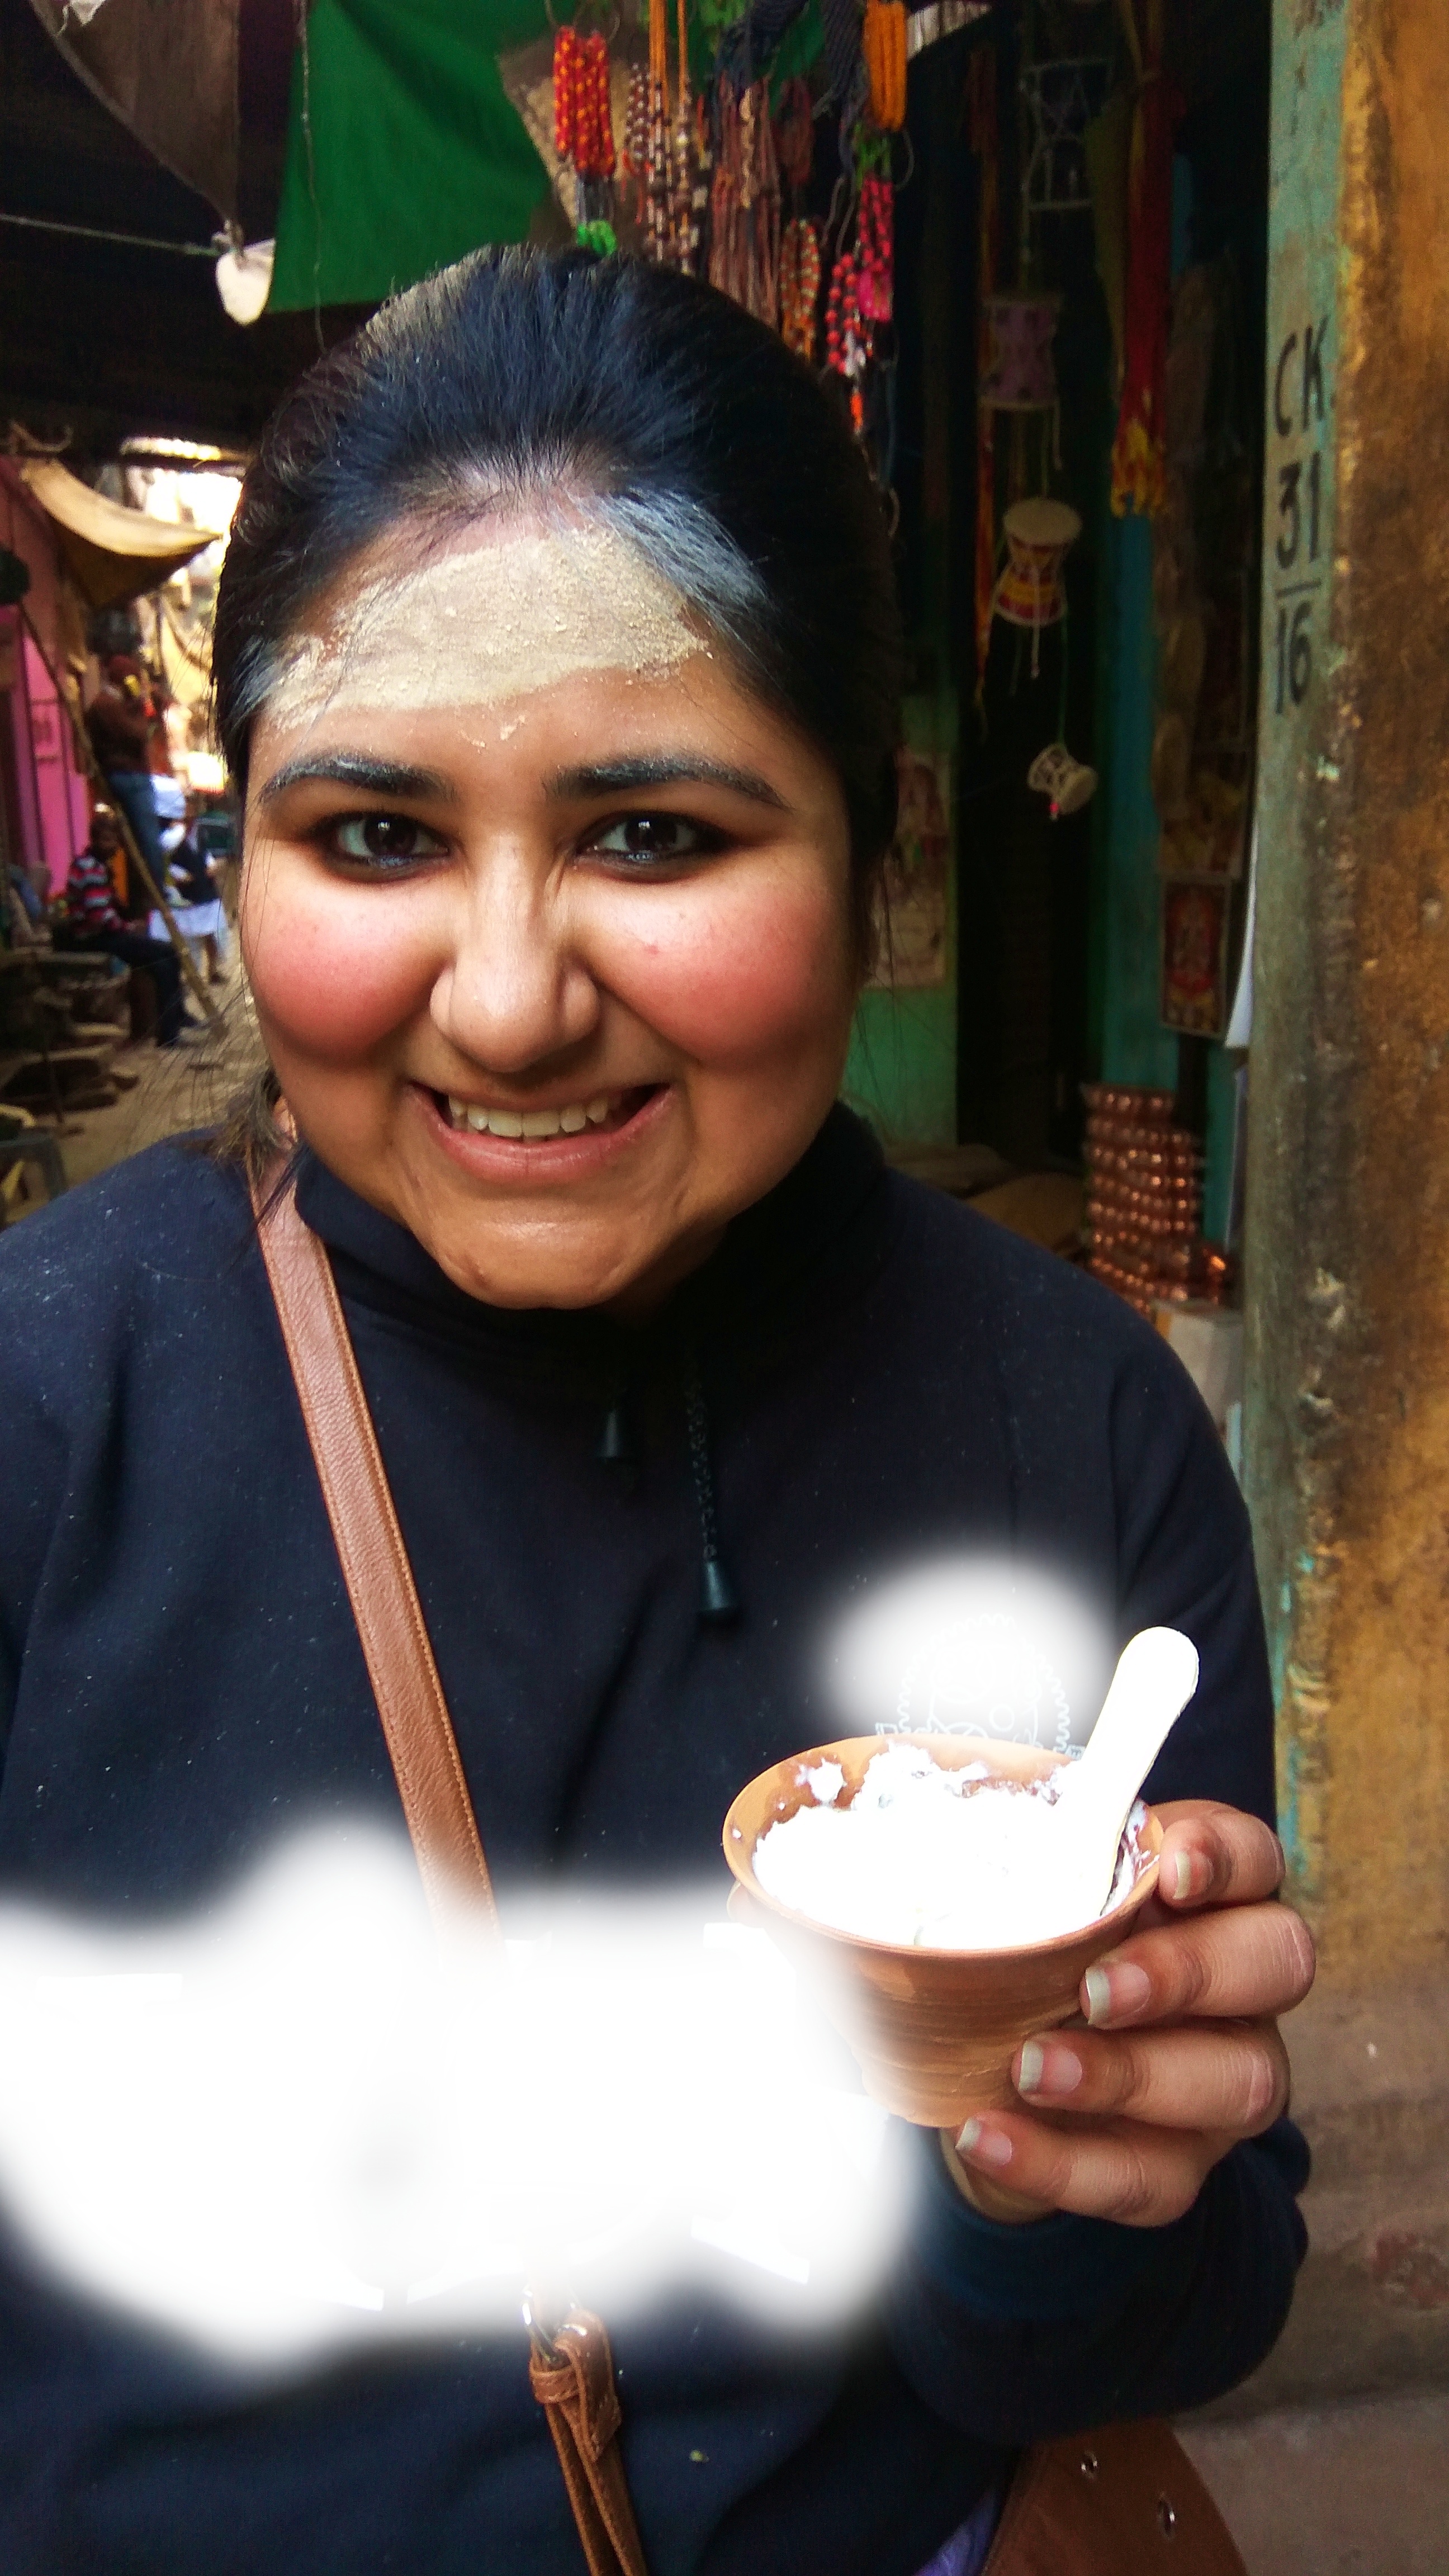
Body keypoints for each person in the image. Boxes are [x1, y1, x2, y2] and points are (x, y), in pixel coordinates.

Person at [0, 252, 1313, 2575]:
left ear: (873, 831)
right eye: (379, 838)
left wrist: (1067, 2170)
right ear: (246, 841)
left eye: (655, 836)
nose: (508, 1007)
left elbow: (1126, 2342)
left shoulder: (1072, 1435)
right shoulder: (49, 1411)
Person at [63, 807, 188, 1044]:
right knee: (162, 957)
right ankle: (169, 1033)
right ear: (96, 840)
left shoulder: (99, 866)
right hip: (92, 938)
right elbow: (100, 916)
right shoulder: (88, 867)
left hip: (104, 933)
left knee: (168, 952)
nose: (112, 846)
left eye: (114, 840)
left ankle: (177, 1017)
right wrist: (127, 928)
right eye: (107, 840)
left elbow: (110, 908)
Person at [84, 652, 169, 903]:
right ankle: (156, 895)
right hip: (128, 778)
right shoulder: (106, 706)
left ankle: (140, 900)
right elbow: (138, 734)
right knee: (148, 840)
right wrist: (141, 706)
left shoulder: (113, 705)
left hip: (128, 776)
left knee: (136, 846)